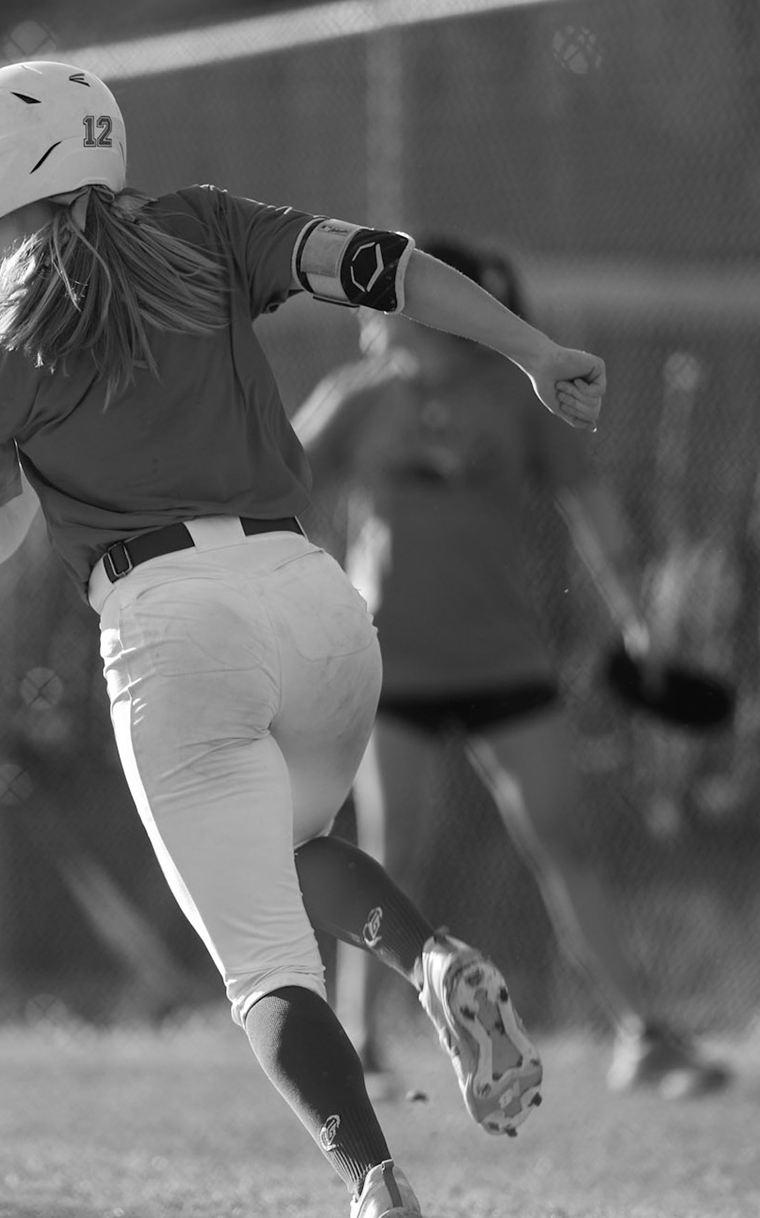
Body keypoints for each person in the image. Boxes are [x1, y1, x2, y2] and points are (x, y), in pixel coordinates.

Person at [0, 61, 604, 1218]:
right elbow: (384, 265)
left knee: (264, 970)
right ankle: (431, 957)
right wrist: (533, 351)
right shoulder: (200, 223)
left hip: (170, 622)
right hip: (314, 599)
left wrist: (21, 448)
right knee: (292, 854)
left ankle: (375, 1184)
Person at [290, 238, 732, 1103]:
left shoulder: (512, 401)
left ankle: (642, 1034)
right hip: (396, 670)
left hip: (506, 665)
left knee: (562, 840)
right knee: (393, 853)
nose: (373, 318)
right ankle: (361, 1043)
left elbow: (589, 508)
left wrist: (640, 618)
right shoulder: (357, 400)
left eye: (392, 303)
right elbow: (273, 483)